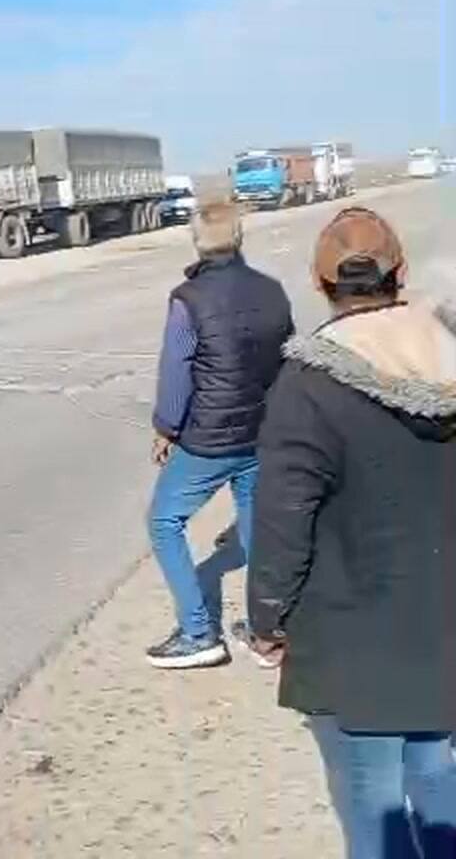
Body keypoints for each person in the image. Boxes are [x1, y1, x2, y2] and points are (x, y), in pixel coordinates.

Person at [247, 207, 456, 858]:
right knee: (439, 778)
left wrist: (267, 619)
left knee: (371, 799)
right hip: (446, 627)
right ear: (402, 273)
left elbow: (282, 518)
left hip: (351, 639)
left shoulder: (308, 384)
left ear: (319, 282)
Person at [146, 200, 293, 668]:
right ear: (240, 237)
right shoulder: (273, 292)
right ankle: (263, 630)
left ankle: (197, 633)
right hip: (260, 431)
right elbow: (287, 359)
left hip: (209, 438)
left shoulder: (188, 300)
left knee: (164, 521)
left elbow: (177, 371)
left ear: (196, 241)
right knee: (253, 522)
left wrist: (167, 428)